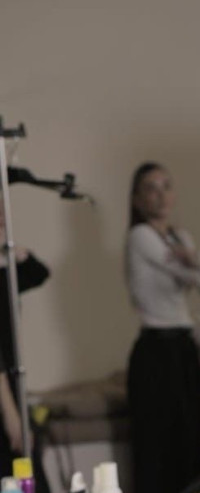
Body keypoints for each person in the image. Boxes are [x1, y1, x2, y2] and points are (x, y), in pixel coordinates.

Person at [125, 162, 200, 493]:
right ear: (137, 199)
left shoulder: (182, 238)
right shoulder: (140, 237)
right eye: (151, 188)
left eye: (166, 186)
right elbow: (186, 274)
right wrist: (194, 263)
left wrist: (197, 260)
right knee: (156, 449)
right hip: (155, 350)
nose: (160, 195)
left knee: (189, 443)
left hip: (183, 348)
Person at [0, 198, 49, 487]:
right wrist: (10, 412)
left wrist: (14, 252)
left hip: (11, 380)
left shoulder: (5, 268)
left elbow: (39, 273)